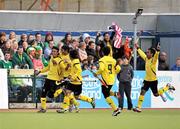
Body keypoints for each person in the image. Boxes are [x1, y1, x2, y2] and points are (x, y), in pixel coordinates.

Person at [133, 43, 175, 113]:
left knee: (156, 94)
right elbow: (142, 54)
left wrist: (158, 51)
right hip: (146, 80)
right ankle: (139, 107)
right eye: (146, 52)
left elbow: (156, 56)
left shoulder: (154, 60)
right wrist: (138, 48)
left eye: (148, 52)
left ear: (152, 54)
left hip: (153, 81)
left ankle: (167, 87)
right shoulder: (146, 58)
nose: (146, 53)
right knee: (142, 91)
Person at [57, 49, 95, 113]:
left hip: (77, 82)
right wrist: (69, 76)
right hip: (72, 82)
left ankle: (90, 100)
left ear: (71, 55)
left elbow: (79, 71)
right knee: (67, 93)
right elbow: (73, 71)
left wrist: (73, 77)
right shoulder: (73, 61)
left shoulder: (75, 62)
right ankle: (65, 108)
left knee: (76, 96)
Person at [35, 46, 65, 113]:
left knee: (50, 95)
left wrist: (61, 77)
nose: (53, 52)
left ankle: (61, 90)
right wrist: (40, 71)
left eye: (55, 51)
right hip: (48, 78)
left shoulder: (60, 61)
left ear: (58, 53)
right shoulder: (51, 59)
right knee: (43, 93)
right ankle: (43, 108)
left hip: (55, 80)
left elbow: (64, 69)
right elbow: (48, 68)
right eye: (53, 51)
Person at [94, 46, 121, 116]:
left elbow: (101, 69)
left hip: (105, 80)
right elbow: (118, 69)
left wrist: (96, 73)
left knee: (106, 95)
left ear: (102, 52)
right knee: (107, 92)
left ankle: (116, 109)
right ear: (109, 52)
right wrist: (113, 72)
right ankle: (115, 94)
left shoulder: (102, 60)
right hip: (112, 79)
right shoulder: (113, 60)